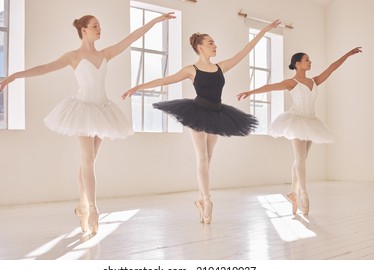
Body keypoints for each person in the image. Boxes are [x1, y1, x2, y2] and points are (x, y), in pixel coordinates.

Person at [0, 12, 176, 234]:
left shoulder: (105, 54)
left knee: (88, 163)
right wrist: (16, 75)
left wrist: (155, 21)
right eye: (95, 26)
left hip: (103, 111)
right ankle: (92, 208)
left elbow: (131, 39)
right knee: (88, 160)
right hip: (82, 110)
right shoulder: (73, 56)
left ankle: (82, 206)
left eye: (99, 26)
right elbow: (44, 68)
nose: (99, 29)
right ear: (84, 30)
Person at [122, 20, 281, 224]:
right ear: (200, 47)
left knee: (209, 157)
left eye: (215, 43)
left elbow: (246, 50)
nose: (215, 46)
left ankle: (201, 199)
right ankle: (207, 201)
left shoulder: (221, 66)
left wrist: (265, 30)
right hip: (197, 112)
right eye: (211, 43)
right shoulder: (191, 69)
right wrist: (138, 87)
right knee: (202, 158)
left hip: (217, 113)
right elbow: (164, 80)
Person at [237, 47, 362, 215]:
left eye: (309, 60)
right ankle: (303, 194)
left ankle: (293, 193)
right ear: (298, 64)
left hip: (311, 121)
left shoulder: (314, 81)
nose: (310, 62)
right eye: (307, 60)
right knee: (300, 160)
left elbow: (332, 68)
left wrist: (348, 54)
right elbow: (270, 87)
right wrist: (250, 92)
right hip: (296, 121)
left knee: (301, 160)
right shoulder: (292, 83)